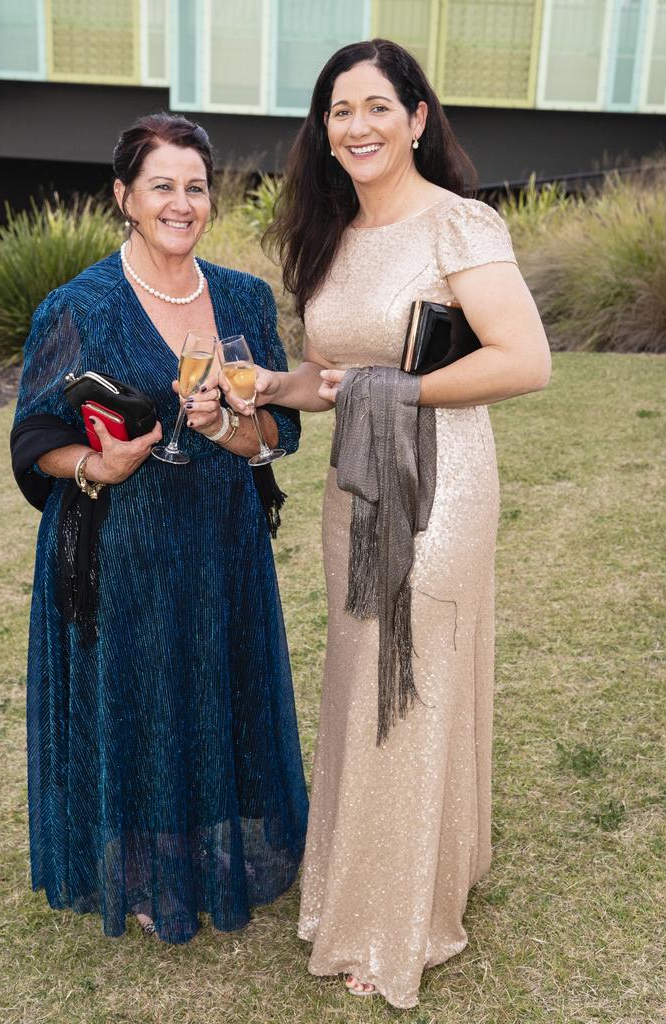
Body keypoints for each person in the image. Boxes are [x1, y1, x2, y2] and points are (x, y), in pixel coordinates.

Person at [224, 40, 551, 1008]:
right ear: (322, 133)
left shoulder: (461, 224)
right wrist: (256, 386)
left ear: (416, 120)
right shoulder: (331, 232)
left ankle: (395, 918)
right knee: (363, 675)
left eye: (376, 107)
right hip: (355, 486)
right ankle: (368, 880)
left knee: (410, 671)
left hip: (440, 482)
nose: (356, 126)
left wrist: (398, 391)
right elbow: (330, 380)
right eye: (338, 111)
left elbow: (526, 358)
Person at [10, 113, 308, 943]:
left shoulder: (244, 297)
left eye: (196, 187)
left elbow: (274, 438)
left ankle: (213, 852)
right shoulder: (80, 306)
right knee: (141, 701)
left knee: (214, 689)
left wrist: (227, 426)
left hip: (223, 542)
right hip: (124, 547)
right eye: (162, 187)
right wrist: (95, 466)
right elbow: (35, 436)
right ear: (125, 198)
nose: (182, 203)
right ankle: (142, 866)